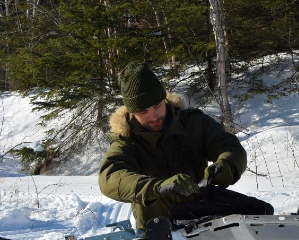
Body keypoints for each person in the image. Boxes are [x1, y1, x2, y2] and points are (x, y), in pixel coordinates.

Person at [99, 61, 273, 230]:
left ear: (163, 99)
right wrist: (157, 187)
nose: (153, 116)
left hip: (205, 225)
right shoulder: (127, 140)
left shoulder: (193, 123)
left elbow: (229, 146)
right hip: (158, 234)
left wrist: (226, 166)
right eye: (143, 112)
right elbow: (110, 177)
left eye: (157, 106)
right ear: (131, 112)